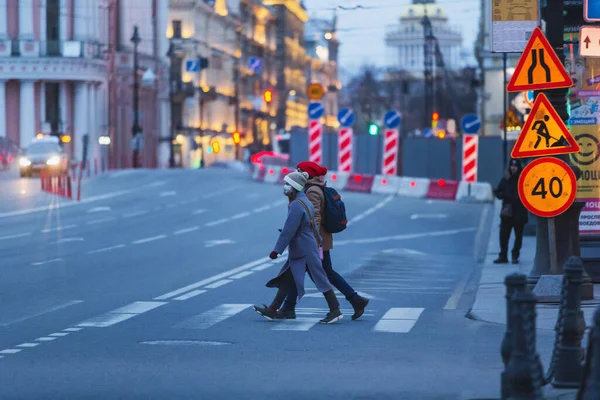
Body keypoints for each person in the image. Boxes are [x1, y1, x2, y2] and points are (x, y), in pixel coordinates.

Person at [253, 171, 343, 324]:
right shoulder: (304, 201)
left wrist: (276, 250)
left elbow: (289, 230)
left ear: (294, 186)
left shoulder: (296, 204)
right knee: (288, 278)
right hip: (307, 246)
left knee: (319, 279)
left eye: (287, 184)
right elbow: (312, 224)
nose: (285, 187)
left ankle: (335, 310)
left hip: (303, 249)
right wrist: (318, 241)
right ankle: (273, 309)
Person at [493, 158, 528, 264]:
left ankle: (515, 255)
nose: (513, 168)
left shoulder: (523, 178)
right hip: (507, 212)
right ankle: (503, 255)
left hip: (520, 212)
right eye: (512, 166)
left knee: (518, 236)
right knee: (504, 235)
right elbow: (498, 192)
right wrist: (506, 194)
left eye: (515, 166)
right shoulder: (506, 179)